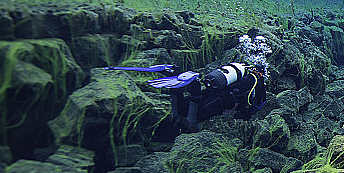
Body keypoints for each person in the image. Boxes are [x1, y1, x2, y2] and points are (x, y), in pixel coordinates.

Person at [105, 29, 272, 132]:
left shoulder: (243, 72)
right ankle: (192, 88)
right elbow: (254, 106)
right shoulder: (257, 82)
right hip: (219, 101)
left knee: (182, 110)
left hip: (212, 88)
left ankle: (175, 72)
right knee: (193, 120)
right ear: (263, 73)